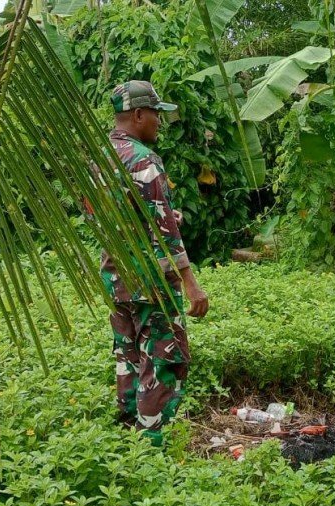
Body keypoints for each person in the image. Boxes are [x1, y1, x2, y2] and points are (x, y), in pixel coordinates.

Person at [98, 80, 209, 446]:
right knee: (162, 360)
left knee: (128, 357)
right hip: (151, 282)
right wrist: (192, 284)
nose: (159, 123)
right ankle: (151, 446)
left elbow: (108, 217)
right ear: (139, 114)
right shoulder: (144, 160)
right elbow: (166, 235)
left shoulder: (101, 157)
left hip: (116, 277)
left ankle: (126, 441)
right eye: (156, 116)